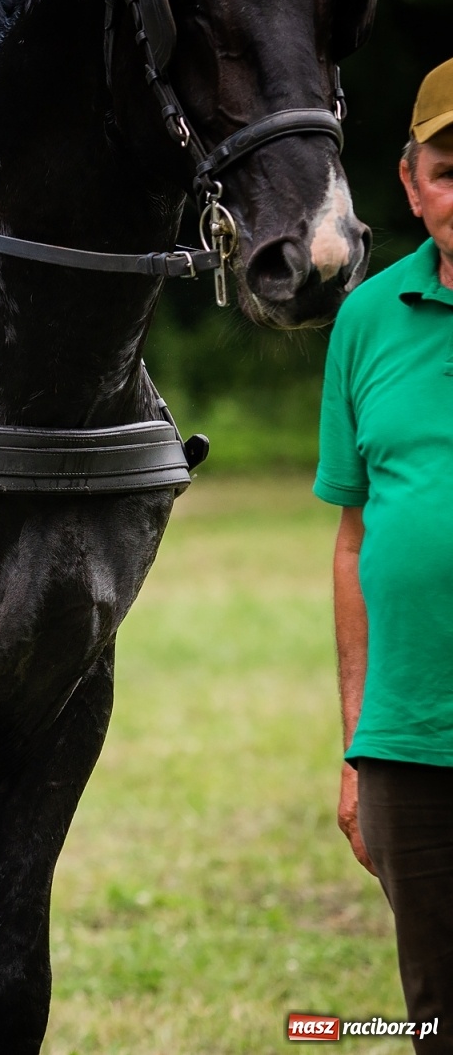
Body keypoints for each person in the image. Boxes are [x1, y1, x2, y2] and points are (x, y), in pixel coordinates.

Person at [317, 56, 453, 1055]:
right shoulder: (365, 319)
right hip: (410, 740)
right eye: (449, 167)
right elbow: (353, 534)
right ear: (409, 183)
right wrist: (359, 736)